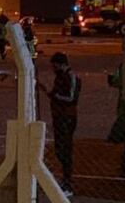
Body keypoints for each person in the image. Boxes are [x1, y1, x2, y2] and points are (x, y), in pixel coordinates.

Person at [38, 51, 80, 196]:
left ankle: (68, 183)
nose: (53, 68)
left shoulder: (71, 77)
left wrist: (54, 95)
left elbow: (71, 98)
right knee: (60, 149)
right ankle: (65, 180)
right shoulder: (60, 77)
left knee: (65, 150)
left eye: (54, 65)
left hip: (67, 118)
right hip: (59, 116)